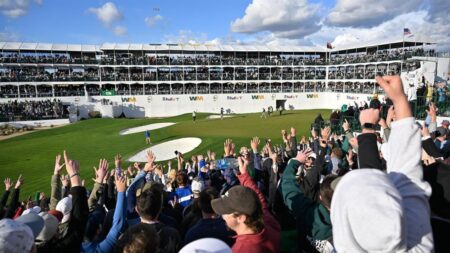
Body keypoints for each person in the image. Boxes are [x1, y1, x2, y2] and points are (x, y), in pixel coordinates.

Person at [331, 75, 434, 252]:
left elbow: (408, 177)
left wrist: (399, 100)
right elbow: (407, 175)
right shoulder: (420, 244)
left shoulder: (421, 245)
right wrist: (400, 99)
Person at [211, 154, 281, 253]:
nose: (222, 216)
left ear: (241, 218)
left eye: (226, 211)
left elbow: (258, 199)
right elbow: (258, 198)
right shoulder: (267, 222)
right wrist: (244, 174)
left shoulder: (242, 249)